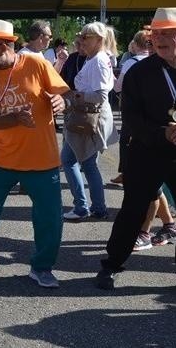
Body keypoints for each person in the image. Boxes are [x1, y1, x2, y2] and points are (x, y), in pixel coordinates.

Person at [0, 19, 69, 288]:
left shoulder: (36, 64)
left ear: (7, 45)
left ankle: (42, 268)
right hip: (1, 159)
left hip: (42, 158)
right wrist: (16, 118)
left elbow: (62, 94)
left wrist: (60, 102)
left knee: (49, 218)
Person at [95, 7, 176, 301]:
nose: (160, 39)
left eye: (167, 33)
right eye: (156, 34)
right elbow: (131, 119)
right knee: (133, 210)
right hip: (147, 152)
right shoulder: (139, 72)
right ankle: (111, 265)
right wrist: (161, 132)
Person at [61, 22, 118, 221]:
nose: (81, 41)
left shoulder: (99, 60)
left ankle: (82, 207)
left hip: (89, 118)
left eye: (86, 37)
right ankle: (97, 208)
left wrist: (75, 95)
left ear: (99, 40)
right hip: (89, 118)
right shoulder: (97, 58)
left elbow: (101, 95)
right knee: (88, 164)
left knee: (70, 160)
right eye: (81, 36)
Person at [111, 30, 152, 185]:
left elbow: (117, 87)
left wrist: (111, 75)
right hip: (151, 109)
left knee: (126, 140)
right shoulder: (155, 59)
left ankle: (126, 173)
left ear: (135, 44)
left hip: (132, 108)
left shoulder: (131, 62)